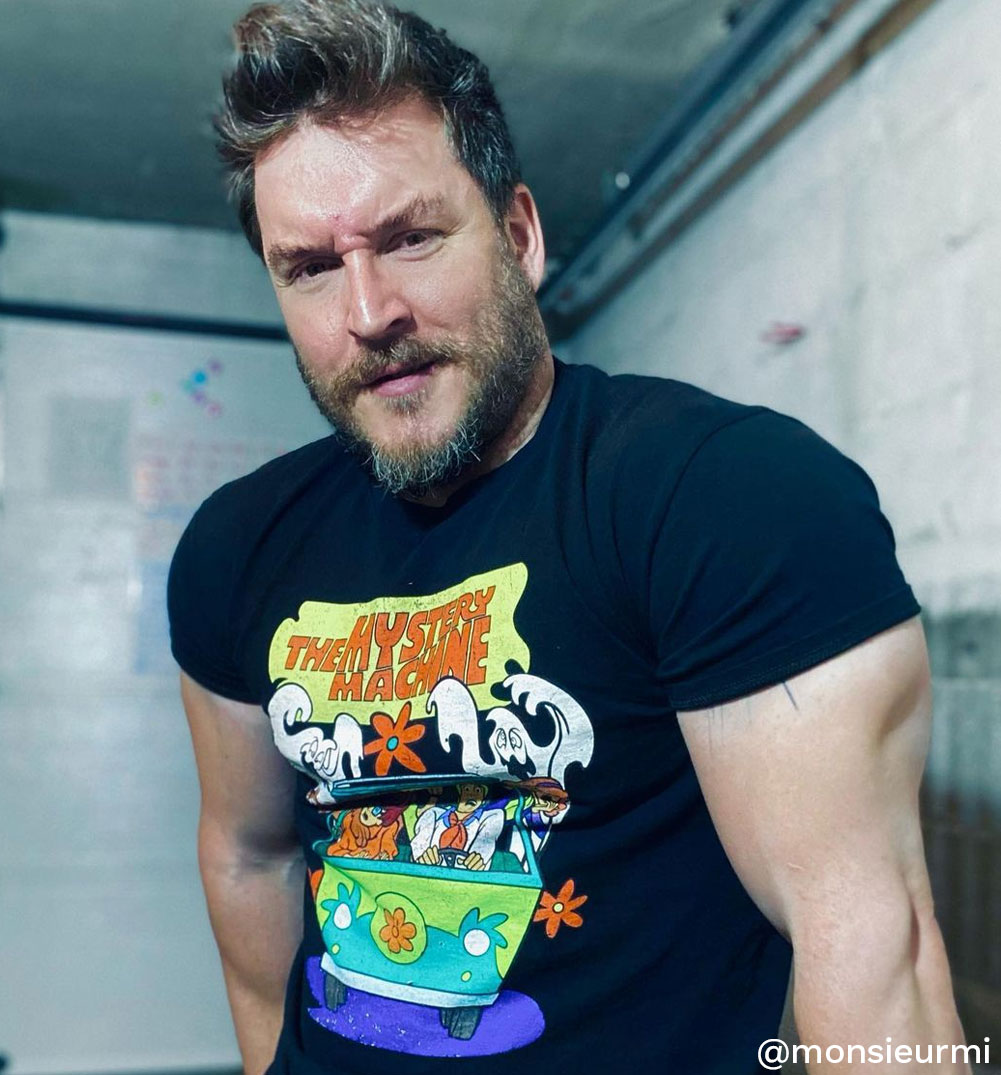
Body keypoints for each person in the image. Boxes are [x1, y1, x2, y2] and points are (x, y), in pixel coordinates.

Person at [168, 1, 969, 1072]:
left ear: (518, 236)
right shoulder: (237, 547)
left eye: (410, 238)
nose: (368, 311)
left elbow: (872, 967)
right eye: (310, 266)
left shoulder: (722, 497)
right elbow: (248, 853)